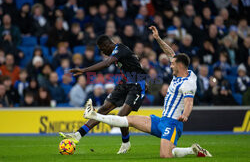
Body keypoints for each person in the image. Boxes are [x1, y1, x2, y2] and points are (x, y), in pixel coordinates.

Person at [82, 26, 212, 158]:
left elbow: (189, 102)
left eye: (172, 64)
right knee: (126, 120)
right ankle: (94, 115)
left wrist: (185, 114)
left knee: (165, 155)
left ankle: (192, 150)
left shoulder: (188, 83)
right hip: (161, 121)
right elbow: (170, 52)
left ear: (179, 65)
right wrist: (158, 38)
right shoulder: (181, 71)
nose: (170, 65)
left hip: (172, 124)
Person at [59, 34, 147, 154]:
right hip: (126, 82)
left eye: (102, 49)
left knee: (121, 116)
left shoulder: (120, 49)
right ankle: (78, 134)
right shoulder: (118, 51)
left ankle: (126, 144)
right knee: (104, 109)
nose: (102, 52)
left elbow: (106, 63)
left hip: (137, 85)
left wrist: (84, 70)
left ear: (107, 45)